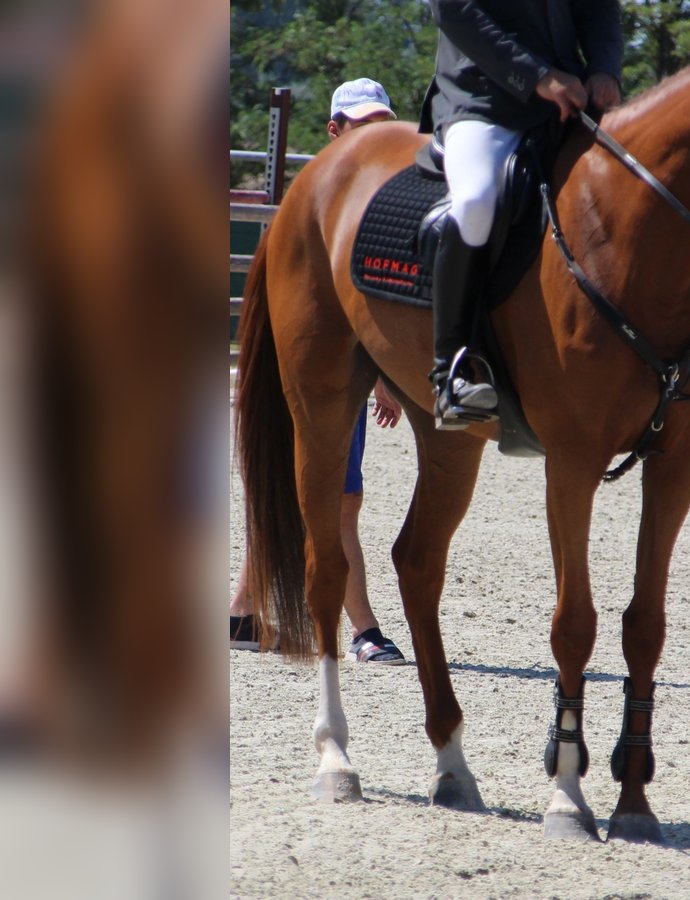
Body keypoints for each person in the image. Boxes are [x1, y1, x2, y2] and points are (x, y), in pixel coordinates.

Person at [230, 78, 408, 664]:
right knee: (339, 502)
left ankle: (243, 613)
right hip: (318, 373)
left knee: (296, 491)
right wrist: (383, 376)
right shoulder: (333, 205)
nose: (374, 133)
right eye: (361, 124)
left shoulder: (351, 203)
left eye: (382, 121)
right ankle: (363, 630)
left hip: (326, 371)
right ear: (335, 130)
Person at [419, 0, 624, 429]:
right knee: (475, 200)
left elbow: (599, 7)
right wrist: (537, 77)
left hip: (571, 95)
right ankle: (451, 372)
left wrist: (605, 67)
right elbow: (454, 10)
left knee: (643, 178)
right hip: (484, 97)